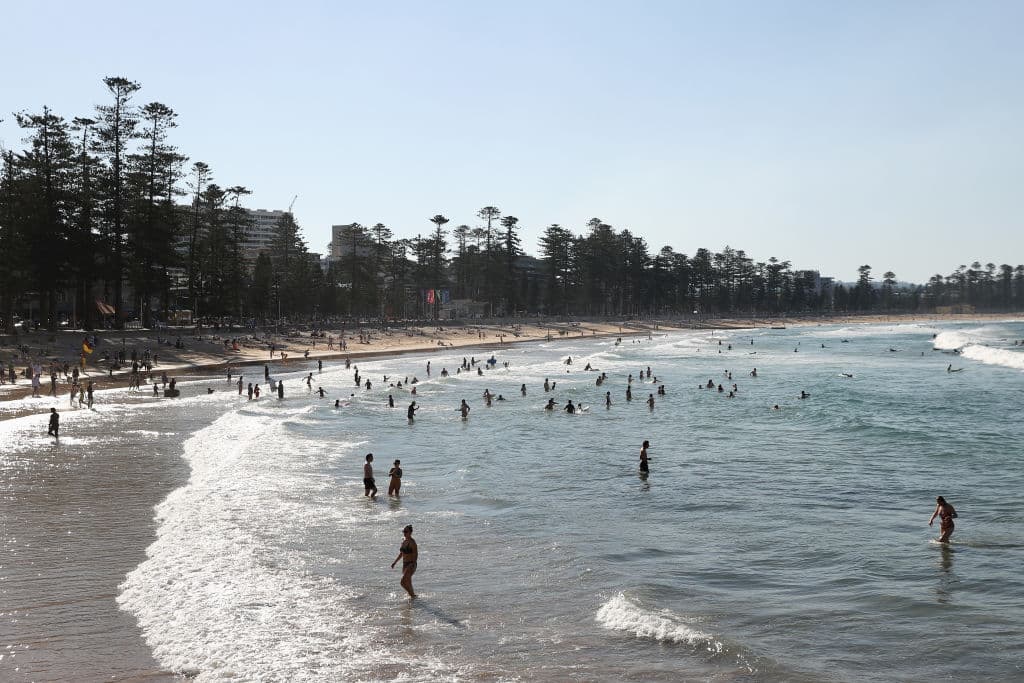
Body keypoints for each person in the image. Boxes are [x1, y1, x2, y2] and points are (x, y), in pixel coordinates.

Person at [390, 524, 418, 598]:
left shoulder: (412, 542)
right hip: (404, 564)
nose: (404, 533)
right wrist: (395, 562)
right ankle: (413, 599)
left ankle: (413, 595)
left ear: (410, 532)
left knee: (402, 582)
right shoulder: (404, 541)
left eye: (406, 532)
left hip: (411, 564)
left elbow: (416, 554)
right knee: (408, 583)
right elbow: (401, 554)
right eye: (403, 531)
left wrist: (413, 564)